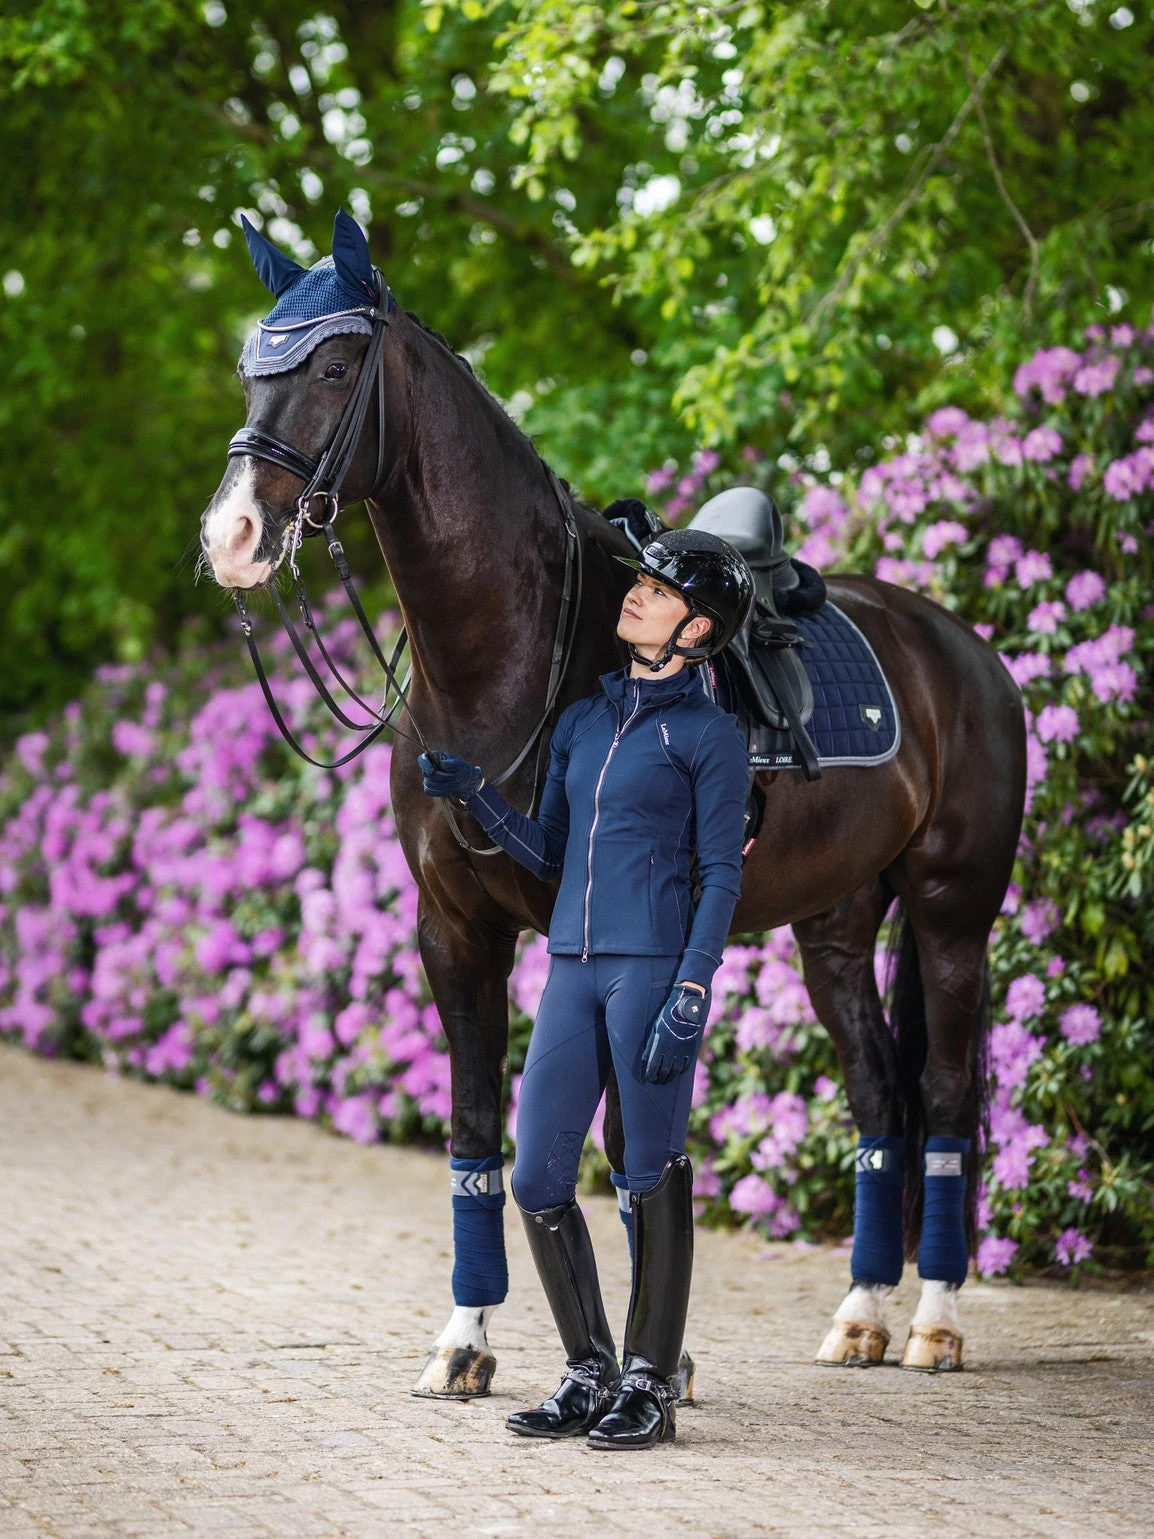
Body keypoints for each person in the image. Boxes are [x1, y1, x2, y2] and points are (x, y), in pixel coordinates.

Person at [418, 528, 752, 1450]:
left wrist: (694, 987)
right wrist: (479, 799)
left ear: (699, 629)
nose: (637, 594)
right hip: (571, 966)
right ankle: (588, 1367)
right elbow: (552, 853)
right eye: (639, 581)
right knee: (536, 1176)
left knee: (650, 1174)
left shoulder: (711, 737)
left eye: (659, 589)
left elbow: (721, 873)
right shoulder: (585, 721)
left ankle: (651, 1381)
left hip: (651, 970)